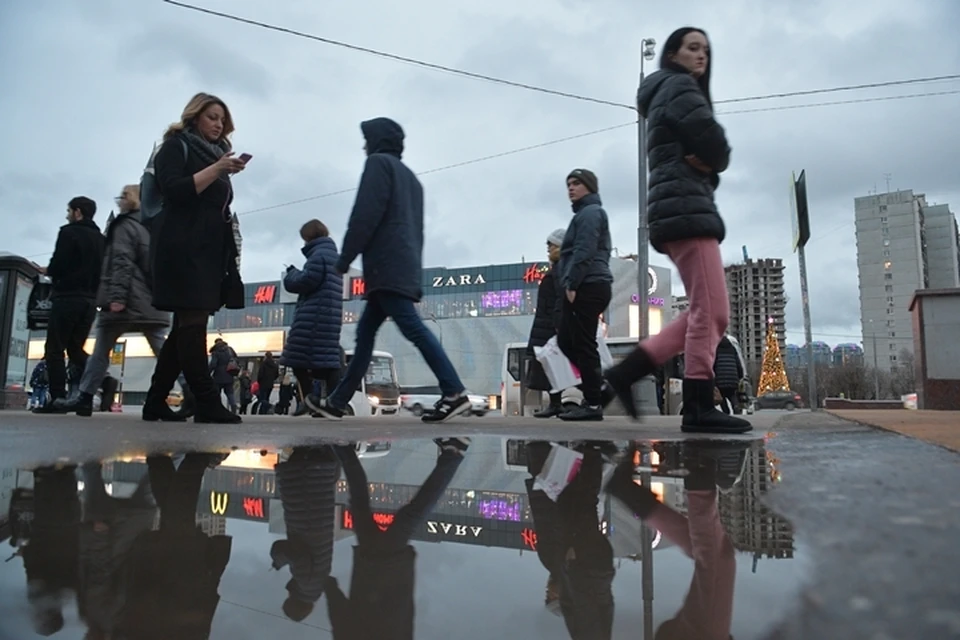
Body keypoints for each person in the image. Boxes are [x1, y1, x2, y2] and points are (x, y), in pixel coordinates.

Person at [603, 27, 751, 433]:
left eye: (706, 49)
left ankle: (626, 373)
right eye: (692, 48)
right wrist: (711, 163)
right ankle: (698, 405)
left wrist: (705, 166)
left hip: (679, 209)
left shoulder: (666, 91)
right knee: (713, 312)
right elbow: (716, 145)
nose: (700, 55)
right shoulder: (679, 87)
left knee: (704, 313)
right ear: (672, 54)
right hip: (686, 209)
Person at [315, 118, 470, 423]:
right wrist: (415, 276)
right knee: (365, 335)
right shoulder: (413, 180)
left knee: (412, 328)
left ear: (377, 140)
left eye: (366, 139)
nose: (363, 146)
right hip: (401, 267)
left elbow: (364, 213)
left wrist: (345, 258)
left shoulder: (377, 164)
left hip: (385, 267)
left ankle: (454, 392)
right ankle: (337, 401)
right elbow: (417, 232)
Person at [144, 92, 247, 424]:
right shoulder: (176, 146)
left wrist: (220, 168)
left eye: (222, 119)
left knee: (184, 326)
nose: (218, 124)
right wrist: (216, 169)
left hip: (207, 248)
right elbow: (174, 190)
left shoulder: (216, 155)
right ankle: (205, 399)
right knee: (193, 322)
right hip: (181, 246)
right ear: (194, 117)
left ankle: (155, 401)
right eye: (212, 117)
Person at [57, 185, 192, 419]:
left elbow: (121, 262)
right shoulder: (155, 224)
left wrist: (117, 297)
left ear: (129, 200)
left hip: (126, 300)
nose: (119, 201)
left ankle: (85, 397)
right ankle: (191, 390)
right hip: (152, 301)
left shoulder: (125, 225)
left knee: (101, 351)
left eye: (122, 197)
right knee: (164, 350)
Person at [33, 196, 105, 413]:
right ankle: (103, 380)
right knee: (75, 349)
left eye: (69, 210)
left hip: (67, 298)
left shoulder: (68, 232)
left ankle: (57, 399)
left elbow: (60, 263)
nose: (67, 215)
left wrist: (49, 270)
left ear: (78, 212)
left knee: (55, 349)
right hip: (90, 301)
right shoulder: (102, 239)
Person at [556, 169, 614, 422]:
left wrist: (572, 283)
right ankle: (598, 388)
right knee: (567, 342)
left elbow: (584, 249)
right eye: (568, 184)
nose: (571, 188)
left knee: (582, 343)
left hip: (588, 284)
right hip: (586, 283)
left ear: (589, 187)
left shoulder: (591, 213)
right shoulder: (584, 213)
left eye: (577, 183)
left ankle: (592, 403)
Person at [279, 220, 345, 416]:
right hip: (329, 316)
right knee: (326, 360)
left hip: (313, 317)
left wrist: (291, 275)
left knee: (297, 358)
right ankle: (330, 404)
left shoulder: (318, 255)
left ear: (308, 237)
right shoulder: (334, 255)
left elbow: (307, 281)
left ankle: (310, 400)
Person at [526, 228, 567, 418]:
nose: (548, 248)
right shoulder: (559, 269)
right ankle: (555, 403)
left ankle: (597, 396)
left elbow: (560, 299)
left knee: (559, 365)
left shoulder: (561, 270)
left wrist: (558, 325)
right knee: (553, 366)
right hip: (549, 324)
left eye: (551, 244)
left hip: (551, 325)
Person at [713, 335, 743, 415]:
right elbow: (738, 364)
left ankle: (726, 413)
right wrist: (740, 376)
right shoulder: (732, 349)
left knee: (722, 397)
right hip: (733, 379)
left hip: (720, 380)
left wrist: (713, 379)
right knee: (732, 395)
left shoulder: (716, 349)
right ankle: (736, 407)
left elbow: (713, 365)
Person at [209, 338, 239, 413]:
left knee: (216, 394)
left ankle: (217, 409)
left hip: (218, 376)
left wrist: (208, 372)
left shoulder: (215, 352)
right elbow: (236, 359)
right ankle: (233, 408)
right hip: (229, 374)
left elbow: (213, 364)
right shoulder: (230, 350)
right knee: (230, 393)